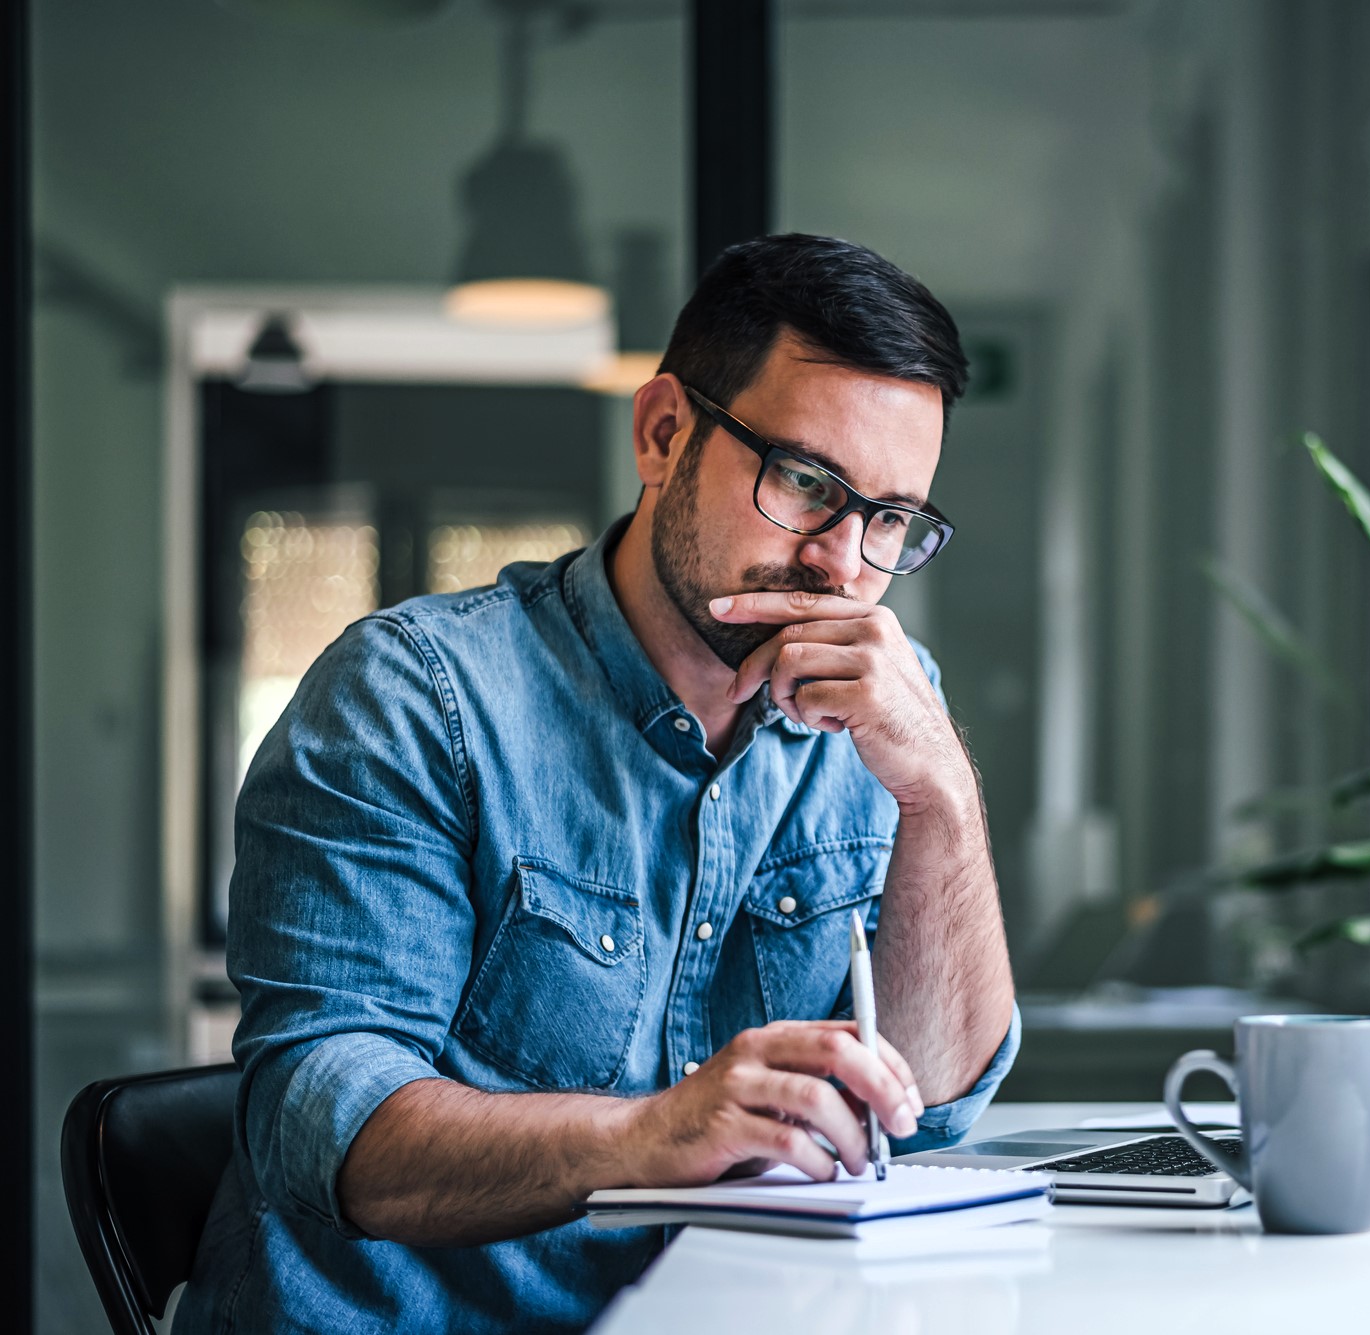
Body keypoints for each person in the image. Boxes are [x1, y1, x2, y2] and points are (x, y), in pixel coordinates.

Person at [177, 234, 1018, 1333]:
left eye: (889, 518)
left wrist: (940, 796)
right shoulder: (411, 697)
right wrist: (658, 1133)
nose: (839, 562)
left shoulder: (883, 711)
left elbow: (934, 1116)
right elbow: (326, 1127)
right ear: (663, 432)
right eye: (807, 483)